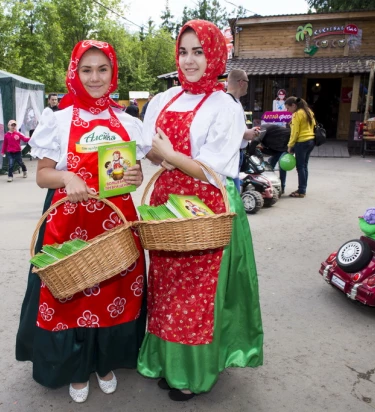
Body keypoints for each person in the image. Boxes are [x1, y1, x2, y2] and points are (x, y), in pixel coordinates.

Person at [137, 20, 263, 402]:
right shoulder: (163, 98)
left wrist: (173, 156)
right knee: (166, 287)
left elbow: (211, 169)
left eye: (199, 51)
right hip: (166, 205)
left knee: (196, 295)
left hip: (204, 209)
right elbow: (148, 147)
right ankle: (165, 362)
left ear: (215, 56)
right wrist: (172, 160)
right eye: (184, 51)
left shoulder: (225, 106)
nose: (189, 60)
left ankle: (191, 372)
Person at [16, 39, 147, 404]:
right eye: (86, 69)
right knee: (69, 292)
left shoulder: (128, 122)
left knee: (113, 292)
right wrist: (67, 178)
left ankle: (104, 363)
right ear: (75, 73)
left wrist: (134, 177)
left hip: (115, 223)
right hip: (69, 222)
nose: (94, 77)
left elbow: (130, 172)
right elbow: (42, 175)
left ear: (113, 73)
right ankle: (74, 367)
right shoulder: (56, 120)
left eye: (102, 69)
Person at [225, 69, 259, 192]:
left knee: (235, 191)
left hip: (236, 154)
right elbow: (225, 131)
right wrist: (246, 134)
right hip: (230, 155)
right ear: (241, 83)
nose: (248, 85)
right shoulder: (227, 103)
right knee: (233, 194)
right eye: (247, 81)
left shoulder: (235, 102)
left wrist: (248, 131)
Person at [285, 96, 316, 198]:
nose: (287, 110)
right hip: (311, 141)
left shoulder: (297, 114)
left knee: (300, 167)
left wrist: (290, 145)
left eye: (288, 108)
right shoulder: (308, 112)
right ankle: (303, 188)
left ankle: (301, 191)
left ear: (294, 105)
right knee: (304, 166)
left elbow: (295, 132)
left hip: (302, 142)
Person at [259, 124, 290, 194]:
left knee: (281, 166)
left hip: (284, 147)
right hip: (278, 148)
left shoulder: (264, 130)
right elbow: (271, 150)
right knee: (271, 165)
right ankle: (272, 185)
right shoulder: (267, 133)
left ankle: (281, 187)